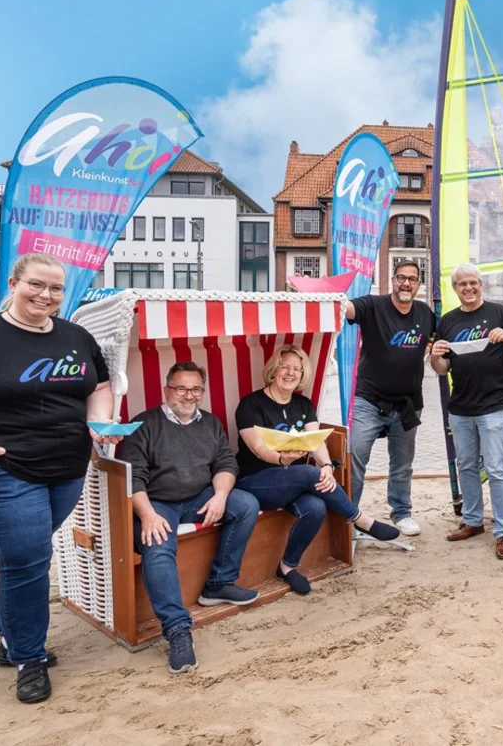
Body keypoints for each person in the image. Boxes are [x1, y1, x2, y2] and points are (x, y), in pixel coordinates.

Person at [0, 252, 117, 704]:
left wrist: (99, 423)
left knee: (21, 559)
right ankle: (27, 656)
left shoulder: (76, 336)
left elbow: (100, 388)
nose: (45, 296)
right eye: (36, 285)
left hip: (66, 469)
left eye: (55, 289)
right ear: (13, 282)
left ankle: (6, 632)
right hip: (1, 472)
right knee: (30, 560)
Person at [117, 361, 262, 675]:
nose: (189, 395)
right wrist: (148, 514)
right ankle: (178, 630)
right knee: (156, 546)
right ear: (167, 390)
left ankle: (219, 583)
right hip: (157, 501)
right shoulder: (143, 424)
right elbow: (132, 478)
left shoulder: (210, 423)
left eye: (196, 389)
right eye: (181, 388)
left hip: (198, 495)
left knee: (246, 504)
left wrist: (221, 495)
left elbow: (226, 462)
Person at [235, 345, 399, 595]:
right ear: (273, 369)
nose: (290, 373)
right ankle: (359, 518)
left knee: (316, 507)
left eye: (297, 370)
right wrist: (282, 459)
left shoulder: (303, 404)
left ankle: (287, 566)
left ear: (302, 375)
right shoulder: (250, 404)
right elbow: (258, 448)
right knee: (310, 474)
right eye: (285, 367)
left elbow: (316, 441)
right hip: (255, 481)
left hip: (294, 481)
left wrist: (326, 467)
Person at [429, 262, 503, 559]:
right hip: (460, 407)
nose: (469, 288)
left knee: (497, 468)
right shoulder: (447, 320)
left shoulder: (499, 313)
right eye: (462, 284)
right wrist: (433, 357)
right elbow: (442, 368)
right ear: (455, 289)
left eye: (473, 283)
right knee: (467, 466)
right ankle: (473, 521)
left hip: (494, 406)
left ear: (481, 284)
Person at [344, 259, 436, 535]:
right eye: (401, 277)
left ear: (419, 284)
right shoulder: (373, 305)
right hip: (369, 400)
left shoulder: (425, 313)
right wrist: (328, 294)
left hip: (407, 404)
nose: (406, 283)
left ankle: (401, 511)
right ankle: (349, 516)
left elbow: (437, 343)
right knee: (356, 456)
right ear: (392, 280)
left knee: (402, 463)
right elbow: (347, 309)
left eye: (412, 279)